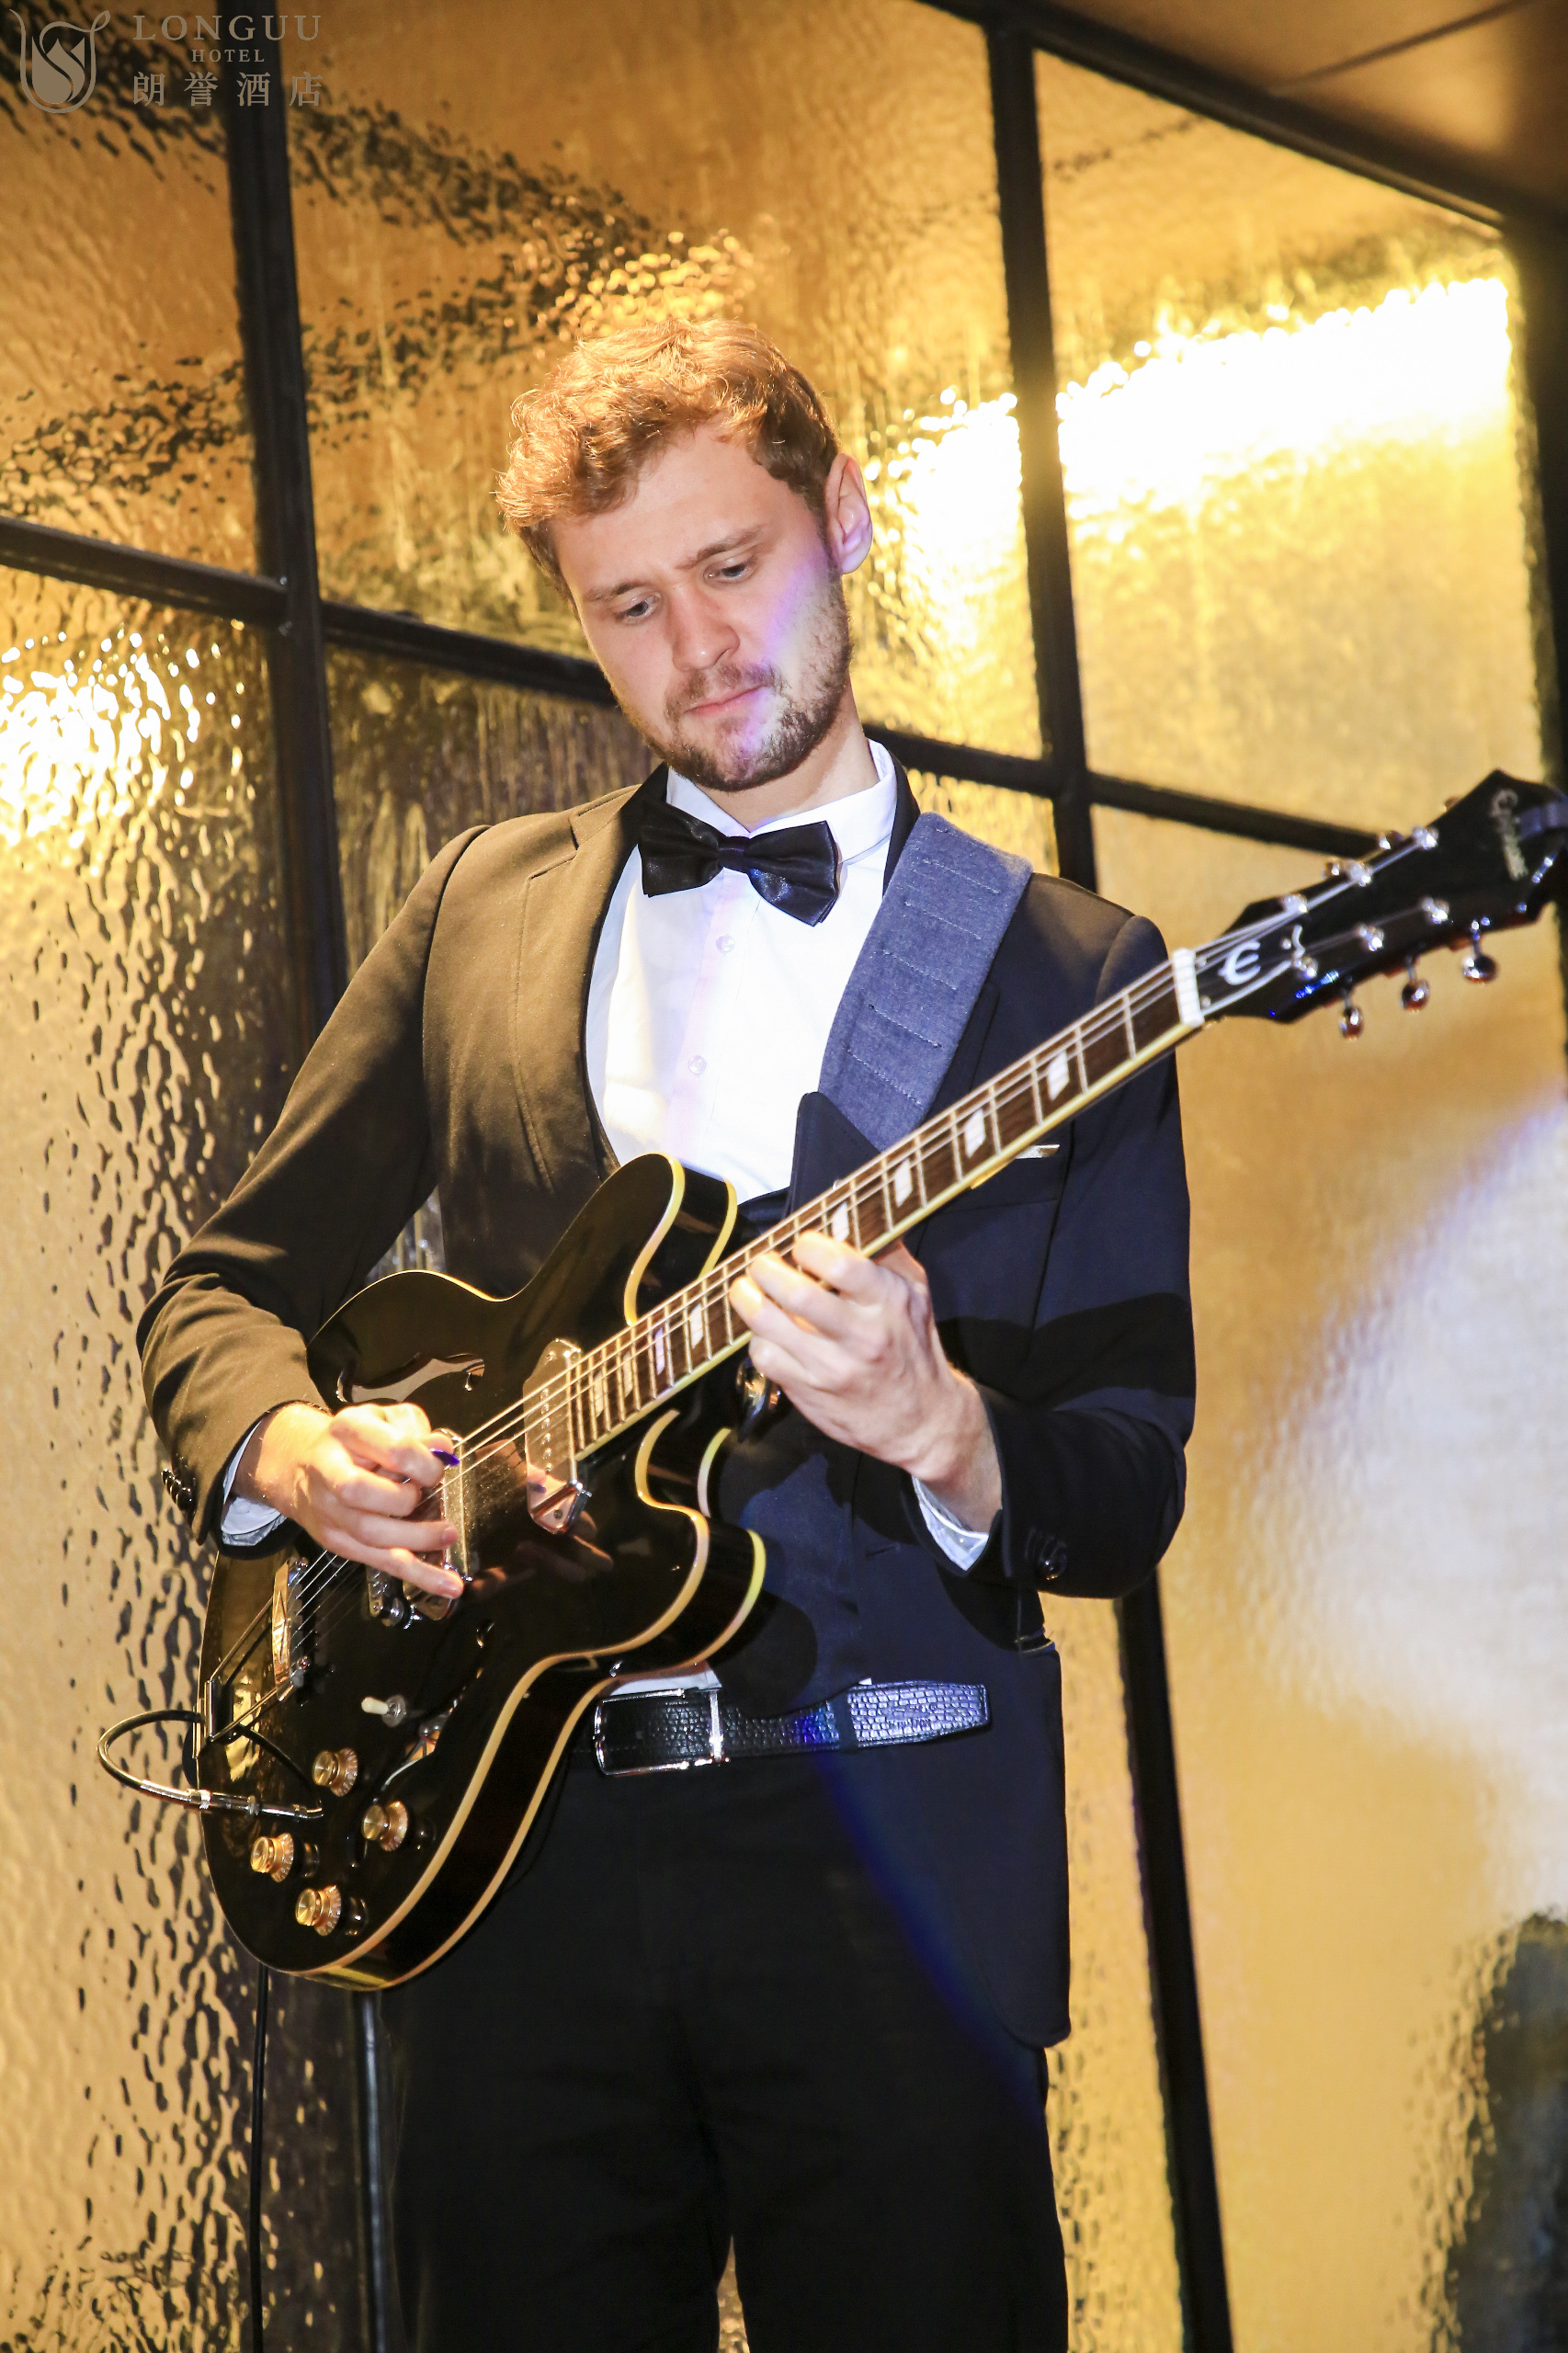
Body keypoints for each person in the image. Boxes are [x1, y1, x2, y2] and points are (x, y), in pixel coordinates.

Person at [139, 317, 1193, 2353]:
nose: (696, 645)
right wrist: (291, 1454)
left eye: (732, 564)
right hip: (504, 1852)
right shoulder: (479, 907)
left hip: (893, 1876)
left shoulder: (1070, 973)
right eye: (628, 604)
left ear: (845, 520)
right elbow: (222, 1291)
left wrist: (947, 1425)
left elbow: (1124, 1475)